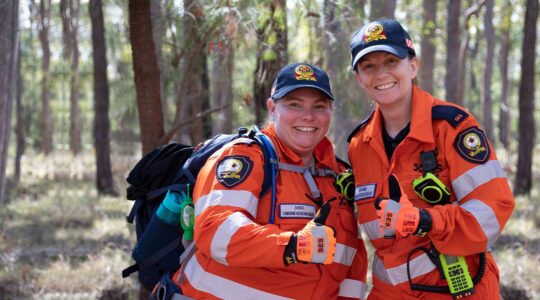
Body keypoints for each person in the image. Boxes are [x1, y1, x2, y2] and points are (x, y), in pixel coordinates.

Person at [166, 63, 368, 299]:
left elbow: (350, 261)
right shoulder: (245, 157)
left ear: (330, 112)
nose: (308, 116)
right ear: (272, 107)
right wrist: (293, 246)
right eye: (294, 104)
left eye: (319, 106)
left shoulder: (338, 175)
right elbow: (217, 232)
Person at [347, 19, 515, 299]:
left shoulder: (453, 127)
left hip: (460, 290)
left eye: (391, 61)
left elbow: (492, 212)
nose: (381, 73)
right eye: (369, 67)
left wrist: (425, 219)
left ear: (412, 65)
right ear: (359, 79)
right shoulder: (358, 145)